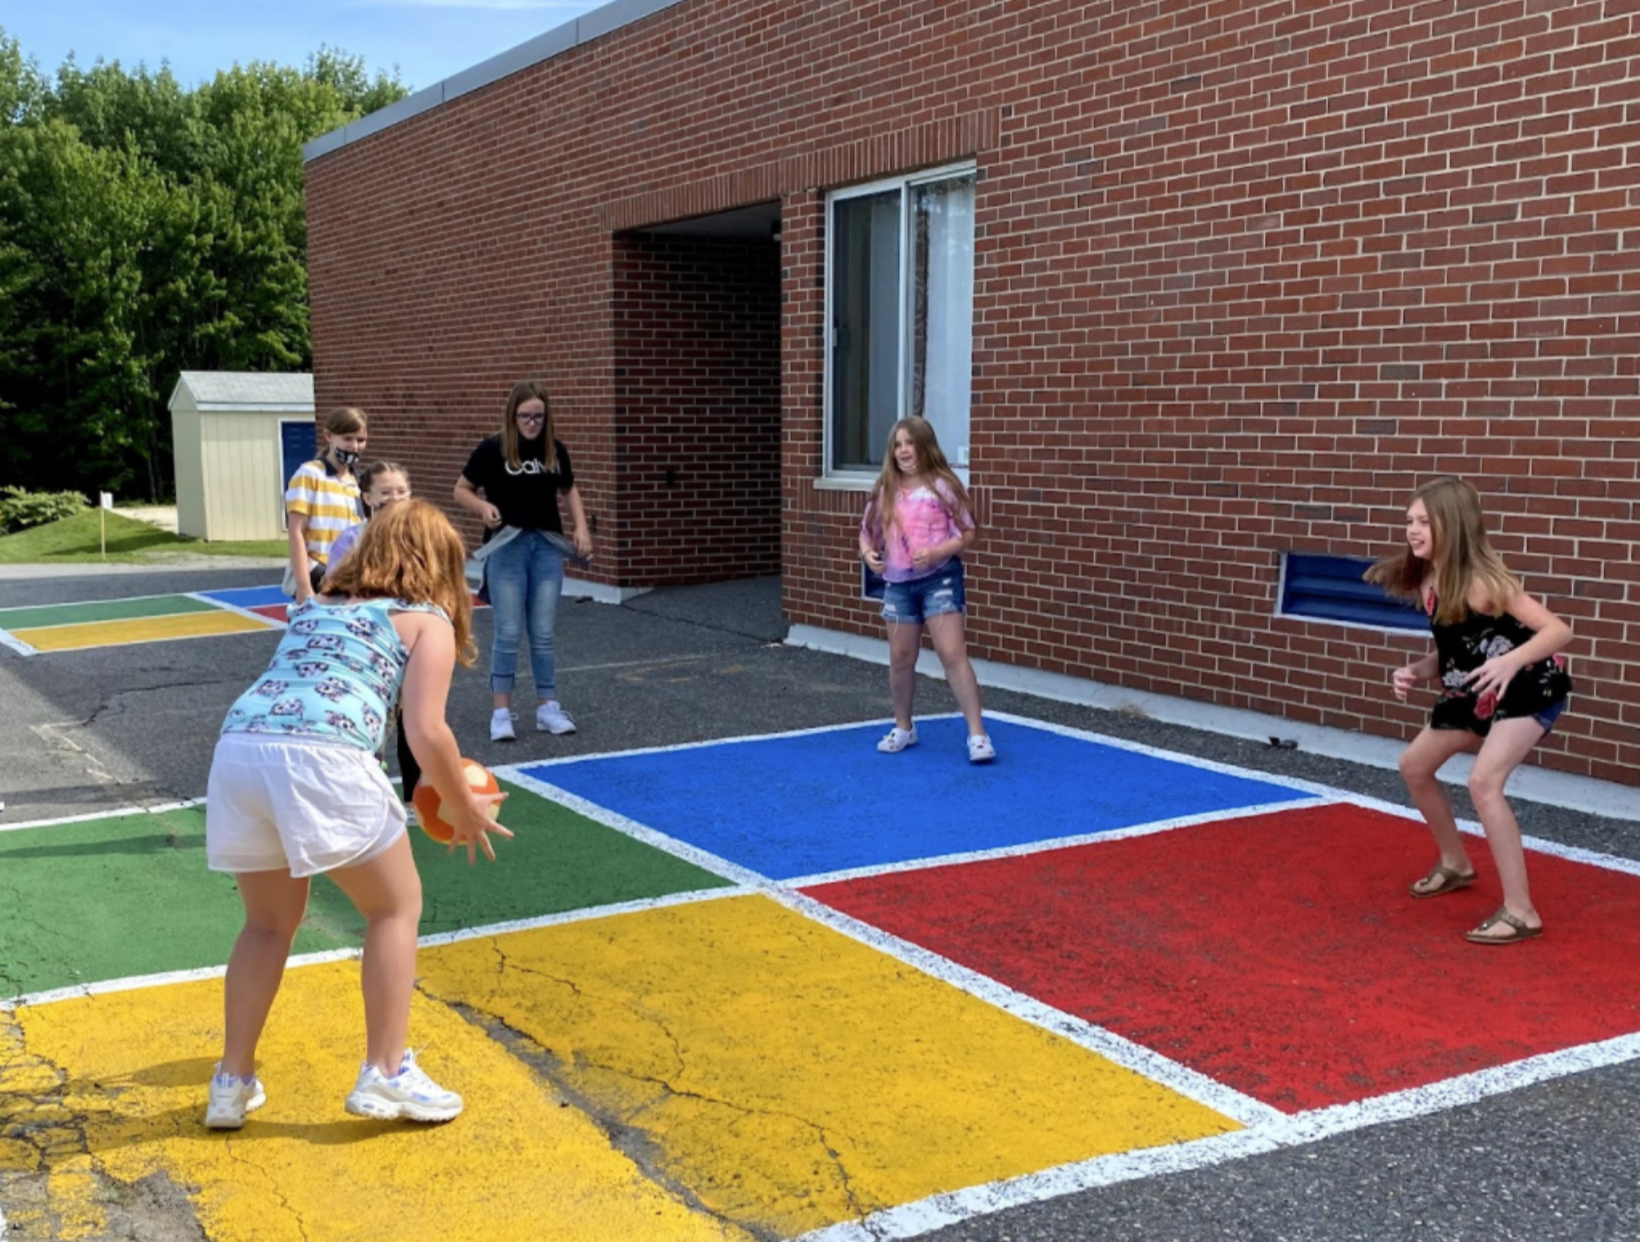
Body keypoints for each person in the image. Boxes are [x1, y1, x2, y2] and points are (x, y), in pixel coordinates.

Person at [204, 500, 512, 1130]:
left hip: (239, 750)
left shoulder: (315, 606)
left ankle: (230, 1083)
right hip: (325, 756)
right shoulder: (427, 620)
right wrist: (462, 805)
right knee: (394, 909)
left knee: (266, 925)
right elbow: (427, 731)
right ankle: (386, 1072)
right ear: (441, 565)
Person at [1365, 476, 1572, 945]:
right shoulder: (1430, 581)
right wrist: (1416, 670)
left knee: (1483, 782)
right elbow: (1455, 649)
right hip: (1476, 688)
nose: (1412, 530)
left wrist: (1510, 661)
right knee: (1414, 766)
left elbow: (1558, 631)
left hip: (1529, 686)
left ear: (1453, 525)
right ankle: (1456, 864)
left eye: (1424, 522)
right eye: (1409, 521)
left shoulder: (1484, 581)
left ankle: (1522, 912)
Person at [453, 380, 592, 742]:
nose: (532, 423)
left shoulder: (554, 449)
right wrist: (482, 507)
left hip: (545, 546)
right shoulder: (492, 448)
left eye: (539, 417)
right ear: (512, 416)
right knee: (509, 631)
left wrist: (581, 527)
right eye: (525, 416)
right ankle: (501, 712)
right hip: (507, 546)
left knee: (542, 632)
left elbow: (568, 488)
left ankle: (548, 707)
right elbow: (461, 489)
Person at [859, 416, 994, 763]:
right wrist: (868, 554)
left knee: (951, 653)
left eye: (910, 443)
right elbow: (867, 533)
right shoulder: (885, 489)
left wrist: (936, 552)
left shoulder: (942, 486)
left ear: (925, 446)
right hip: (898, 584)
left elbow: (968, 532)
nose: (904, 451)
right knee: (901, 657)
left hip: (940, 578)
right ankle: (903, 727)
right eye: (898, 445)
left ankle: (977, 734)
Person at [325, 462, 419, 802]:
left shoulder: (420, 539)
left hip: (409, 641)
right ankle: (362, 793)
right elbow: (333, 589)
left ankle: (414, 797)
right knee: (368, 718)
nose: (395, 498)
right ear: (367, 498)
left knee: (414, 719)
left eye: (402, 491)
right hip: (365, 645)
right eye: (386, 492)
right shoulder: (353, 539)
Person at [285, 408, 368, 605]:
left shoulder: (360, 482)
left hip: (350, 577)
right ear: (329, 436)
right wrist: (304, 586)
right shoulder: (309, 474)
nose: (354, 446)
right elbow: (296, 532)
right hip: (318, 573)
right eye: (347, 438)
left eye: (361, 440)